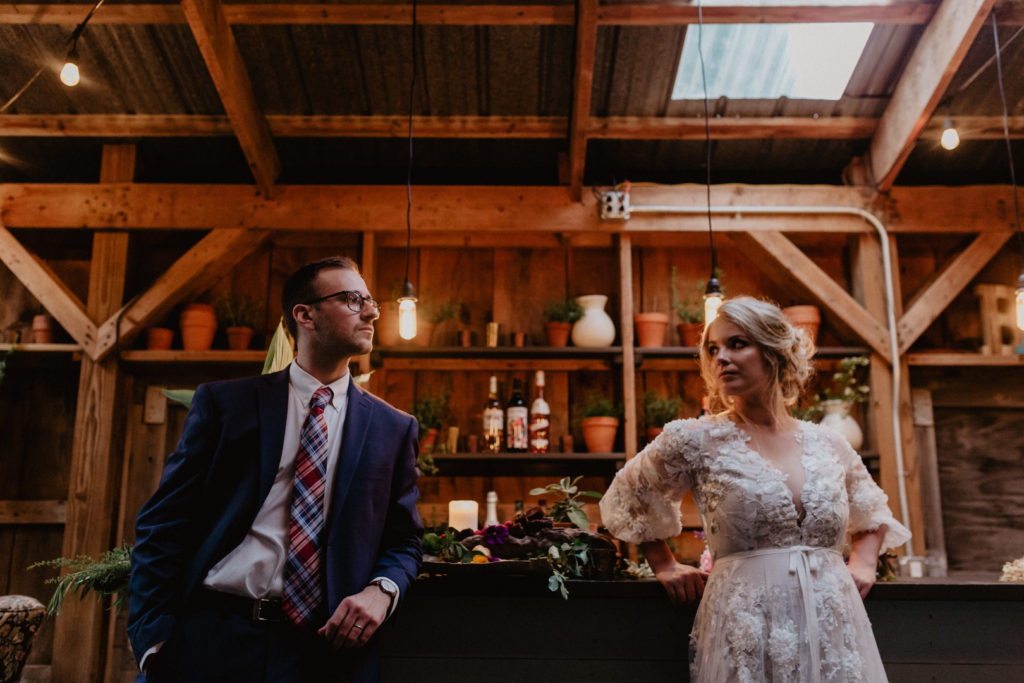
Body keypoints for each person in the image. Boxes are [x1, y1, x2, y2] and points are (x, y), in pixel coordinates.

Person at [127, 256, 423, 683]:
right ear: (305, 315)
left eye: (371, 301)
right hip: (215, 642)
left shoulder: (394, 428)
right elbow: (162, 526)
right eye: (353, 299)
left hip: (329, 652)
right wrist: (154, 645)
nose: (372, 311)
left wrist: (382, 590)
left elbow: (405, 540)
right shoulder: (226, 406)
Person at [600, 297, 910, 682]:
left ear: (774, 351)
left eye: (737, 343)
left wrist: (863, 563)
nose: (721, 358)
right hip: (746, 622)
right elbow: (628, 495)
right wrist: (663, 564)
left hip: (833, 622)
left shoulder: (827, 443)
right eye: (713, 349)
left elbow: (873, 511)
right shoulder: (696, 439)